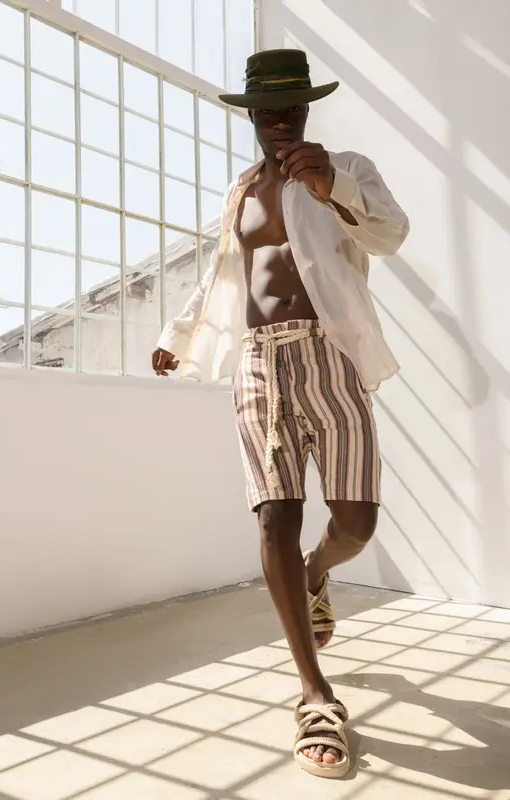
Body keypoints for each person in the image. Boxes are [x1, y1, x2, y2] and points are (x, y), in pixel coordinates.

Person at [152, 49, 409, 779]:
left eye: (291, 107)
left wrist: (333, 189)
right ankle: (315, 695)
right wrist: (178, 334)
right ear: (252, 116)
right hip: (259, 363)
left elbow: (390, 234)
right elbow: (220, 274)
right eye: (267, 111)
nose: (279, 121)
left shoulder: (344, 167)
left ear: (305, 109)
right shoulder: (241, 190)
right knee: (273, 517)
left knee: (356, 522)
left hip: (331, 355)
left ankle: (317, 572)